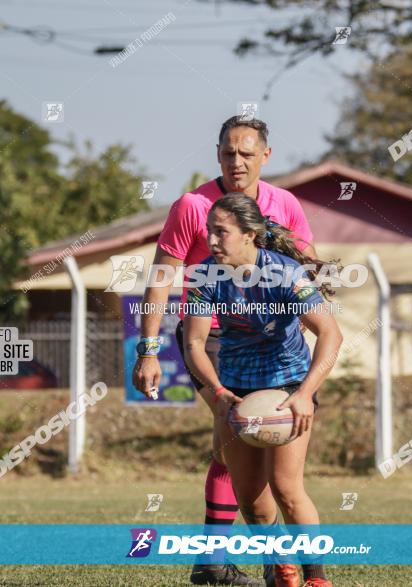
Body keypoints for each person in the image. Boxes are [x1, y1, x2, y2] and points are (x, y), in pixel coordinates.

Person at [132, 116, 317, 586]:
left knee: (234, 449)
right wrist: (148, 350)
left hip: (273, 340)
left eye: (247, 153)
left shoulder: (286, 204)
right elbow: (161, 278)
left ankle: (226, 560)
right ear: (217, 153)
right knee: (235, 436)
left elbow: (305, 268)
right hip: (213, 337)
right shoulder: (192, 206)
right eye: (229, 152)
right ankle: (242, 562)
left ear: (265, 157)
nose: (237, 161)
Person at [183, 193, 343, 587]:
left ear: (250, 235)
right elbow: (193, 345)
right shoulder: (206, 274)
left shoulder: (285, 273)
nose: (212, 240)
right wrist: (218, 392)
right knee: (252, 500)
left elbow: (331, 335)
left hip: (288, 386)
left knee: (287, 489)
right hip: (235, 388)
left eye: (221, 232)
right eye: (209, 232)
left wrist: (305, 394)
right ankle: (281, 568)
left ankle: (317, 579)